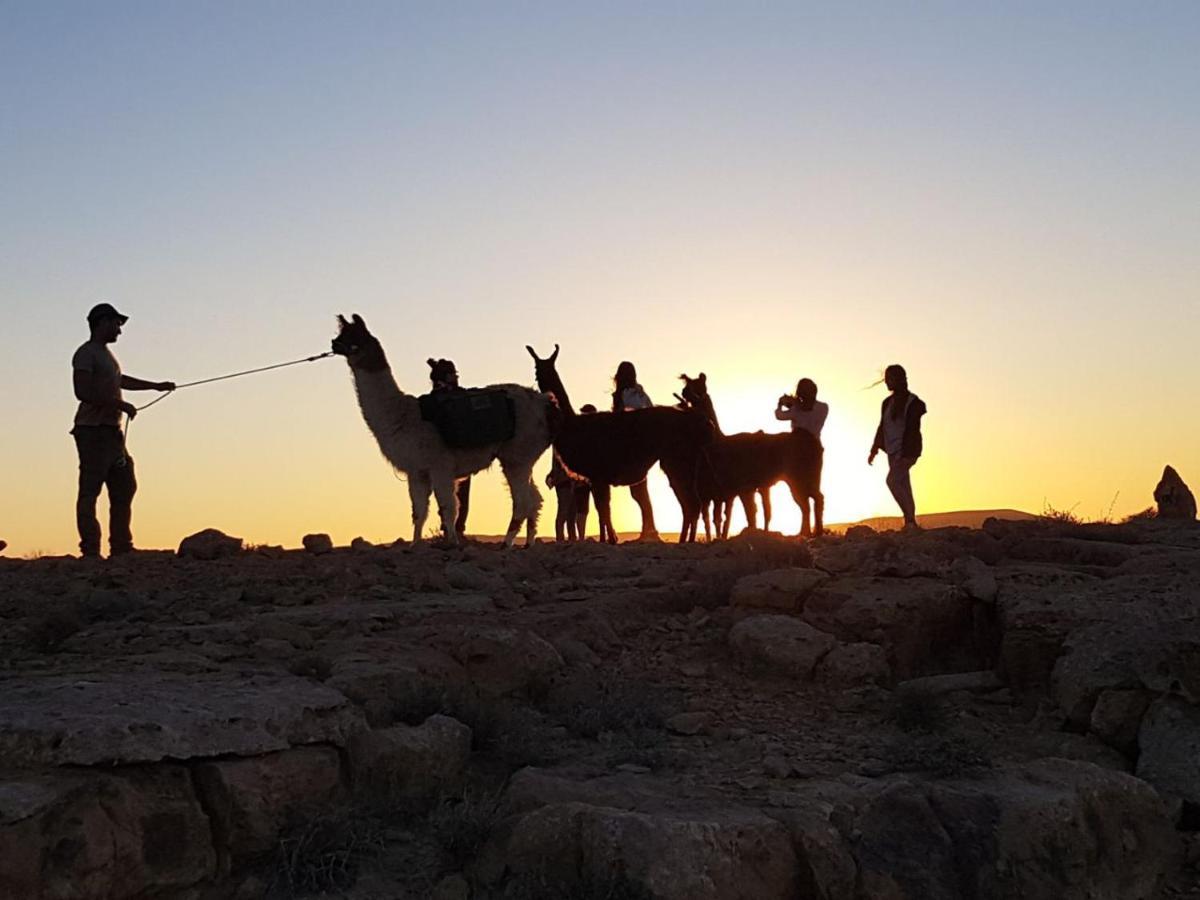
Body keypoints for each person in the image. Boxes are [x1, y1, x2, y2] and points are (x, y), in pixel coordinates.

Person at [71, 303, 174, 557]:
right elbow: (81, 391)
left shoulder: (107, 356)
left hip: (112, 433)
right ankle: (91, 551)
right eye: (117, 324)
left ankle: (121, 547)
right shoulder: (86, 353)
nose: (119, 330)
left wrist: (156, 386)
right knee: (90, 490)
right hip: (92, 431)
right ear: (102, 322)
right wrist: (119, 404)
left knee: (124, 486)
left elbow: (120, 381)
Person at [868, 364, 927, 530]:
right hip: (892, 450)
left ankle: (909, 520)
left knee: (892, 481)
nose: (887, 382)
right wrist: (874, 449)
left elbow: (912, 429)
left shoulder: (913, 402)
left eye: (890, 378)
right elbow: (882, 426)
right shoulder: (887, 403)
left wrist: (905, 451)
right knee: (904, 485)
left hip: (907, 450)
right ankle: (911, 522)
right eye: (886, 378)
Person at [611, 361, 658, 541]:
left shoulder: (626, 394)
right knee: (639, 490)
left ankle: (649, 529)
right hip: (642, 444)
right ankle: (648, 528)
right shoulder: (640, 393)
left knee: (638, 490)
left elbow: (626, 416)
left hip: (632, 445)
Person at [427, 357, 471, 537]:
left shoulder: (432, 401)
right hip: (458, 455)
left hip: (453, 455)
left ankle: (451, 529)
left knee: (447, 494)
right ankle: (454, 530)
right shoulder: (452, 398)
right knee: (456, 495)